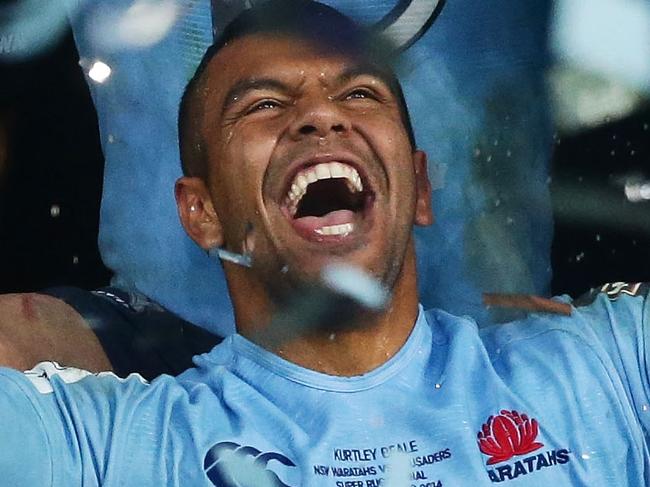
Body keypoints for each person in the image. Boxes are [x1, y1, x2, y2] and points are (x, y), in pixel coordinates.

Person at [0, 1, 648, 485]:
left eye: (359, 93)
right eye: (262, 105)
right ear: (200, 214)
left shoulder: (604, 369)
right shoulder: (126, 443)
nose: (319, 115)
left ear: (419, 187)